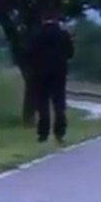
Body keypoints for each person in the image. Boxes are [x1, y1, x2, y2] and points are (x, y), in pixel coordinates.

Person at [25, 8, 75, 144]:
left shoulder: (37, 34)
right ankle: (60, 132)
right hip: (59, 72)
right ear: (57, 19)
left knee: (42, 103)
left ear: (43, 19)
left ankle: (43, 133)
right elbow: (70, 53)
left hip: (40, 72)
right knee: (59, 102)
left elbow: (28, 53)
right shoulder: (64, 35)